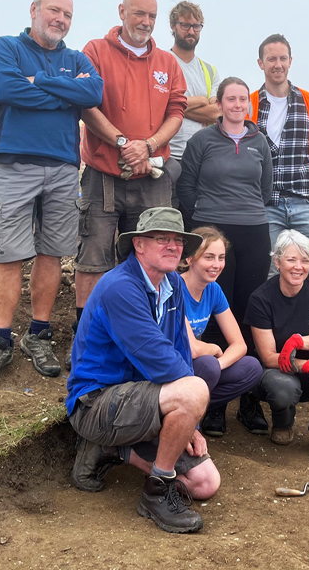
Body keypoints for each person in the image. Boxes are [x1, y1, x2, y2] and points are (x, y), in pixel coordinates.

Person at [0, 0, 103, 387]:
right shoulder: (5, 48)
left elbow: (94, 91)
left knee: (52, 252)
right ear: (34, 9)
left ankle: (38, 334)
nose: (60, 19)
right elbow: (8, 89)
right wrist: (64, 93)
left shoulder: (77, 58)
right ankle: (0, 341)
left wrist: (39, 82)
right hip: (15, 165)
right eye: (54, 10)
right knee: (9, 254)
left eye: (67, 15)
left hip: (64, 169)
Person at [67, 207, 219, 534]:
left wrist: (189, 420)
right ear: (138, 244)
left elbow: (180, 350)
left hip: (144, 400)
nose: (173, 246)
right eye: (161, 239)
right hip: (96, 402)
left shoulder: (174, 284)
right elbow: (159, 358)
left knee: (206, 483)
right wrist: (189, 409)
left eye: (178, 240)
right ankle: (156, 492)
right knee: (194, 390)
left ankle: (112, 449)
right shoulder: (119, 287)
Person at [73, 0, 187, 353]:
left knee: (149, 256)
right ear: (122, 11)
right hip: (103, 176)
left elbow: (177, 112)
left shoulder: (168, 63)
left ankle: (143, 337)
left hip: (152, 178)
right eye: (139, 14)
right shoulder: (94, 52)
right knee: (94, 257)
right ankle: (87, 340)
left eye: (152, 17)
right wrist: (124, 143)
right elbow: (85, 105)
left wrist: (148, 146)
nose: (146, 22)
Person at [178, 76, 274, 436]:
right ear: (219, 104)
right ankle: (214, 404)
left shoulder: (259, 142)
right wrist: (203, 218)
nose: (237, 105)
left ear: (249, 105)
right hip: (212, 229)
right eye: (230, 99)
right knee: (220, 306)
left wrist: (245, 211)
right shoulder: (202, 140)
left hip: (253, 229)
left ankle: (248, 400)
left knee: (249, 308)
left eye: (242, 100)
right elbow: (186, 185)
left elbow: (264, 189)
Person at [245, 230, 309, 463]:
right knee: (283, 389)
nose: (298, 267)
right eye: (291, 259)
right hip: (279, 371)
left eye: (305, 260)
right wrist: (308, 366)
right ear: (277, 261)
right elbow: (269, 357)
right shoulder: (260, 299)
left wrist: (299, 341)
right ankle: (283, 422)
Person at [248, 34, 309, 278]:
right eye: (271, 59)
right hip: (267, 203)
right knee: (273, 273)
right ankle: (276, 318)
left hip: (303, 199)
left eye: (282, 58)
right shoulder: (251, 103)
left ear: (290, 61)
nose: (278, 64)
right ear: (260, 63)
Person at [182, 226, 264, 437]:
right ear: (190, 259)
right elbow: (191, 349)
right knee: (207, 364)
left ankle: (193, 409)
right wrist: (215, 349)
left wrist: (219, 364)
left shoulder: (213, 290)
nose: (216, 265)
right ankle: (185, 423)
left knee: (252, 367)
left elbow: (240, 345)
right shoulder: (175, 288)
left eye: (221, 257)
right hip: (172, 367)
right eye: (208, 257)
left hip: (199, 368)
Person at [166, 1, 220, 226]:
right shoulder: (161, 62)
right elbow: (159, 104)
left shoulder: (208, 71)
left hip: (198, 160)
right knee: (167, 226)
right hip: (167, 157)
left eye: (196, 26)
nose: (191, 31)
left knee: (196, 228)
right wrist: (199, 100)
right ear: (173, 26)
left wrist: (176, 103)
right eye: (185, 25)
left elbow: (217, 113)